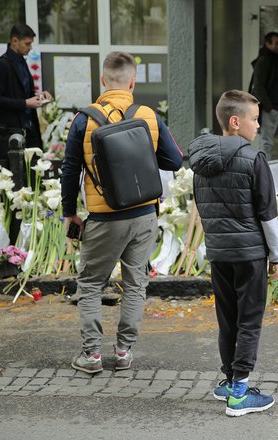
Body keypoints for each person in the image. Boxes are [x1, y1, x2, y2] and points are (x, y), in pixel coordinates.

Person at [61, 51, 183, 374]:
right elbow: (175, 161)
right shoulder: (149, 116)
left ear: (103, 81)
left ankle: (91, 356)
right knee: (135, 284)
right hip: (144, 216)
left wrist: (69, 212)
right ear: (132, 81)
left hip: (103, 218)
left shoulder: (83, 119)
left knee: (89, 285)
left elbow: (70, 170)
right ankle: (124, 351)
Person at [188, 90, 278, 417]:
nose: (257, 126)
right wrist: (276, 256)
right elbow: (267, 213)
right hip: (250, 253)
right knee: (250, 321)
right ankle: (240, 393)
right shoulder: (253, 159)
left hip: (219, 252)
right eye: (254, 119)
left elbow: (201, 207)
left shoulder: (200, 161)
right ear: (235, 121)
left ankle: (229, 381)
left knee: (227, 320)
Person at [0, 24, 52, 148]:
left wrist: (39, 96)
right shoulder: (2, 64)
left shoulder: (22, 61)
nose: (30, 47)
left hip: (29, 129)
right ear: (14, 41)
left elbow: (22, 93)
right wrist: (25, 103)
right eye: (27, 44)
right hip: (10, 132)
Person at [250, 32, 278, 160]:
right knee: (266, 142)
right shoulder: (264, 61)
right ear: (268, 44)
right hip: (267, 108)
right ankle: (264, 171)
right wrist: (269, 107)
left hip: (272, 107)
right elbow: (258, 87)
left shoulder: (275, 61)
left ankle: (263, 170)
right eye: (277, 43)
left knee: (266, 141)